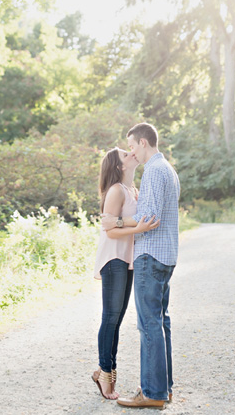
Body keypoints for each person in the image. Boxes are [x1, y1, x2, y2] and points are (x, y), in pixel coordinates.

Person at [101, 123, 180, 409]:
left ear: (143, 142)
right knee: (160, 323)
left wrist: (117, 222)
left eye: (132, 145)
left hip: (150, 254)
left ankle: (152, 393)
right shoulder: (167, 169)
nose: (132, 151)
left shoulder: (153, 172)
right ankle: (163, 388)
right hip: (166, 254)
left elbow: (148, 218)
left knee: (149, 325)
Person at [92, 147, 159, 400]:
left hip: (127, 259)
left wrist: (130, 223)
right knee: (110, 317)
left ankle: (104, 371)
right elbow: (109, 229)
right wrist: (134, 226)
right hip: (114, 258)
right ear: (119, 166)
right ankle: (106, 374)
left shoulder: (133, 190)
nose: (131, 153)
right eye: (125, 154)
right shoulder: (116, 190)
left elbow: (119, 221)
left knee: (117, 319)